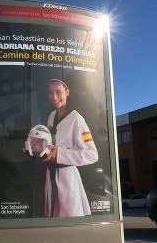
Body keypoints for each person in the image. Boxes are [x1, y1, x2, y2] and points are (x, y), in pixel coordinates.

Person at [42, 78, 99, 217]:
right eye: (50, 93)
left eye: (58, 92)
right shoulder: (51, 116)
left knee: (69, 224)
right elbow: (51, 143)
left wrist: (59, 154)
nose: (54, 97)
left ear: (67, 92)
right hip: (50, 176)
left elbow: (92, 154)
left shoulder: (76, 119)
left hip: (68, 178)